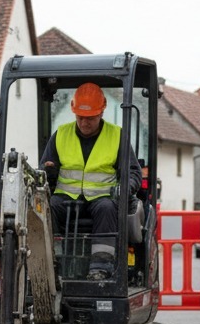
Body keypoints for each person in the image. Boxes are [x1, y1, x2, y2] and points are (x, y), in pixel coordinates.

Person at [40, 82, 142, 280]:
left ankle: (100, 267)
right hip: (66, 198)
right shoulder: (61, 134)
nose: (85, 122)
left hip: (101, 198)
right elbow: (45, 168)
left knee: (107, 208)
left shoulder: (117, 136)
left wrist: (126, 187)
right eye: (80, 117)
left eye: (90, 118)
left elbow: (133, 172)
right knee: (47, 207)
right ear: (74, 112)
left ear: (101, 112)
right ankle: (53, 262)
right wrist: (48, 172)